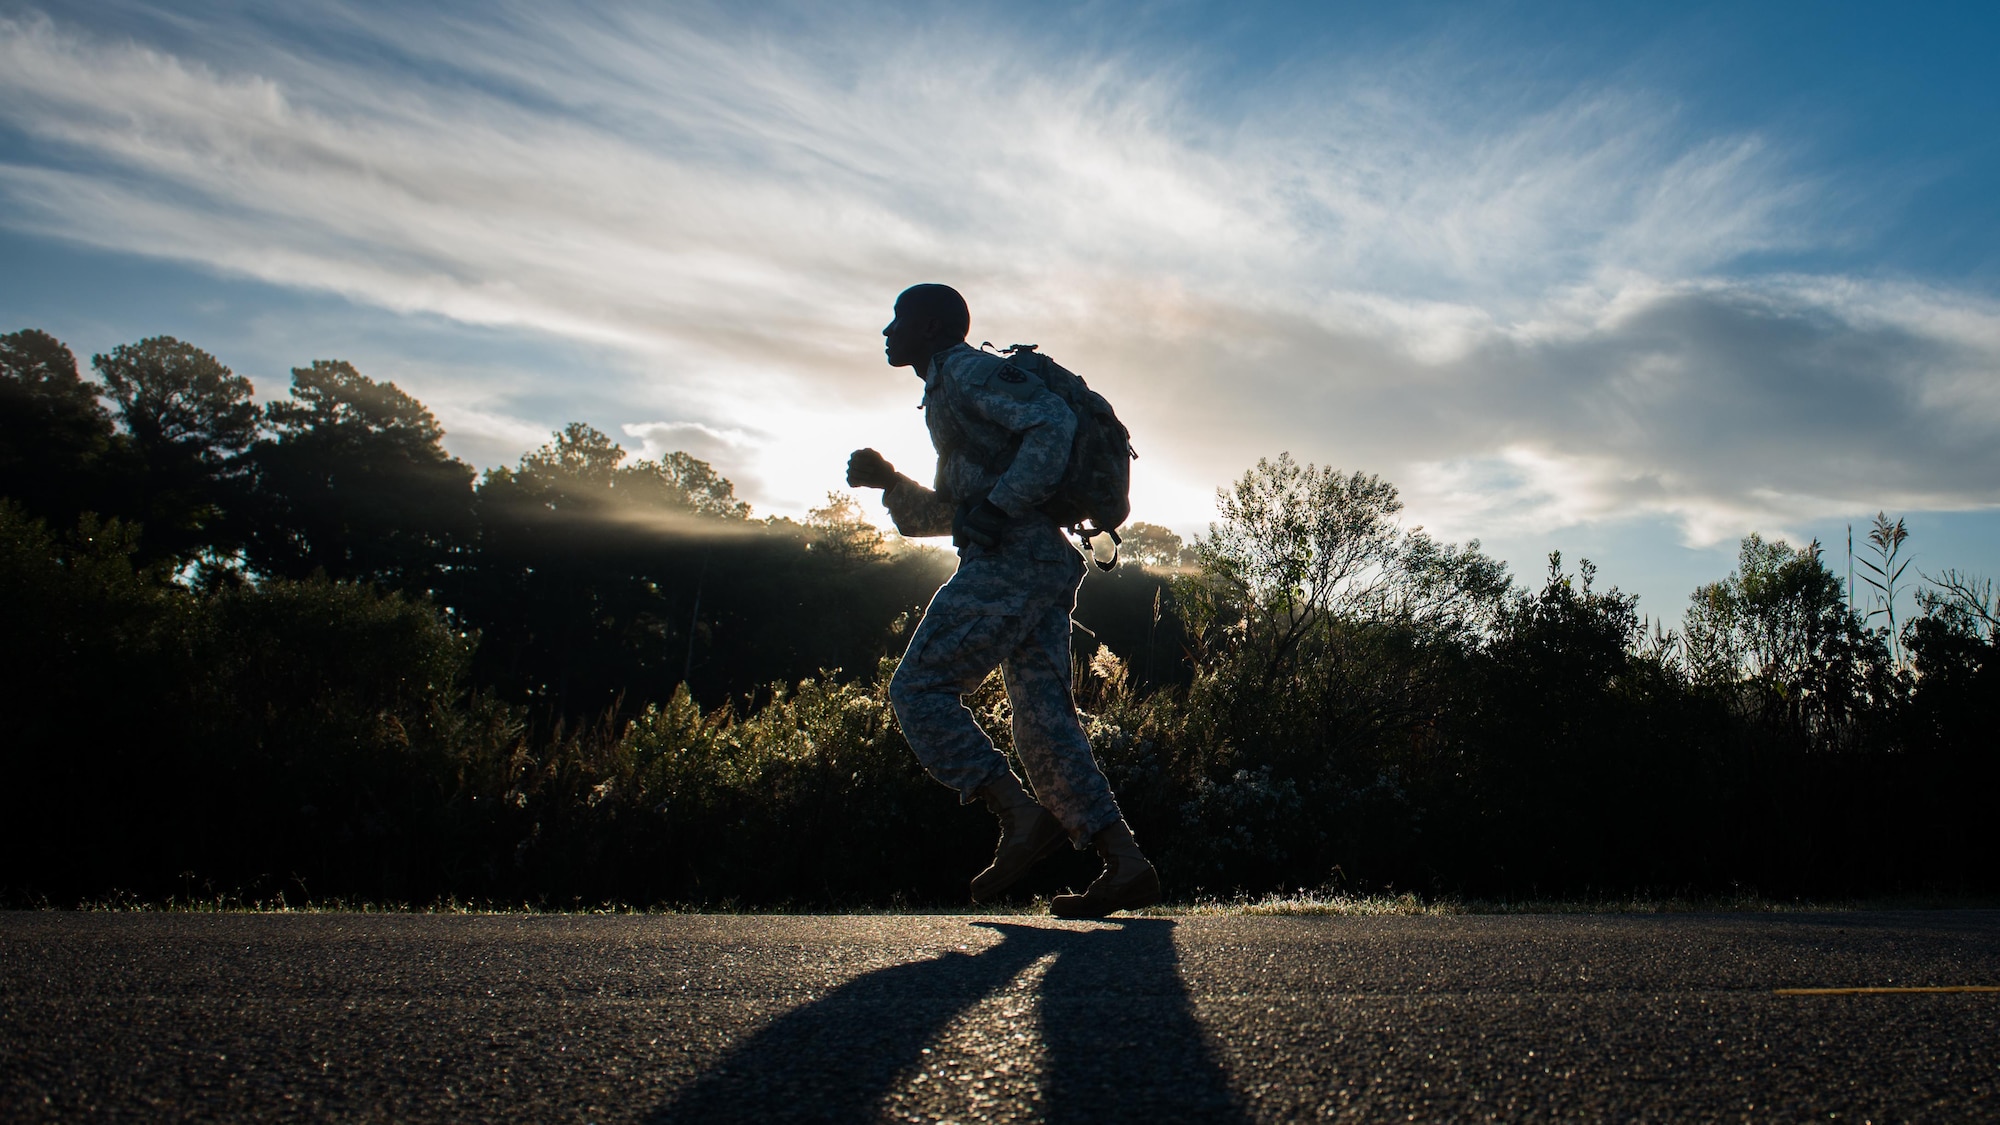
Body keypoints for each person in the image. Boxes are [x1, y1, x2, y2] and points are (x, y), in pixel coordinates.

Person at [846, 284, 1160, 918]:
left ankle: (1018, 813)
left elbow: (1054, 421)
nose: (886, 331)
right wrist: (891, 483)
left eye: (899, 320)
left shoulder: (965, 371)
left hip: (1015, 561)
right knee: (1045, 722)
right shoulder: (945, 392)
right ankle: (1125, 864)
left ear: (931, 328)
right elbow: (959, 511)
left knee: (920, 688)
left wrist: (998, 506)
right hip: (1039, 561)